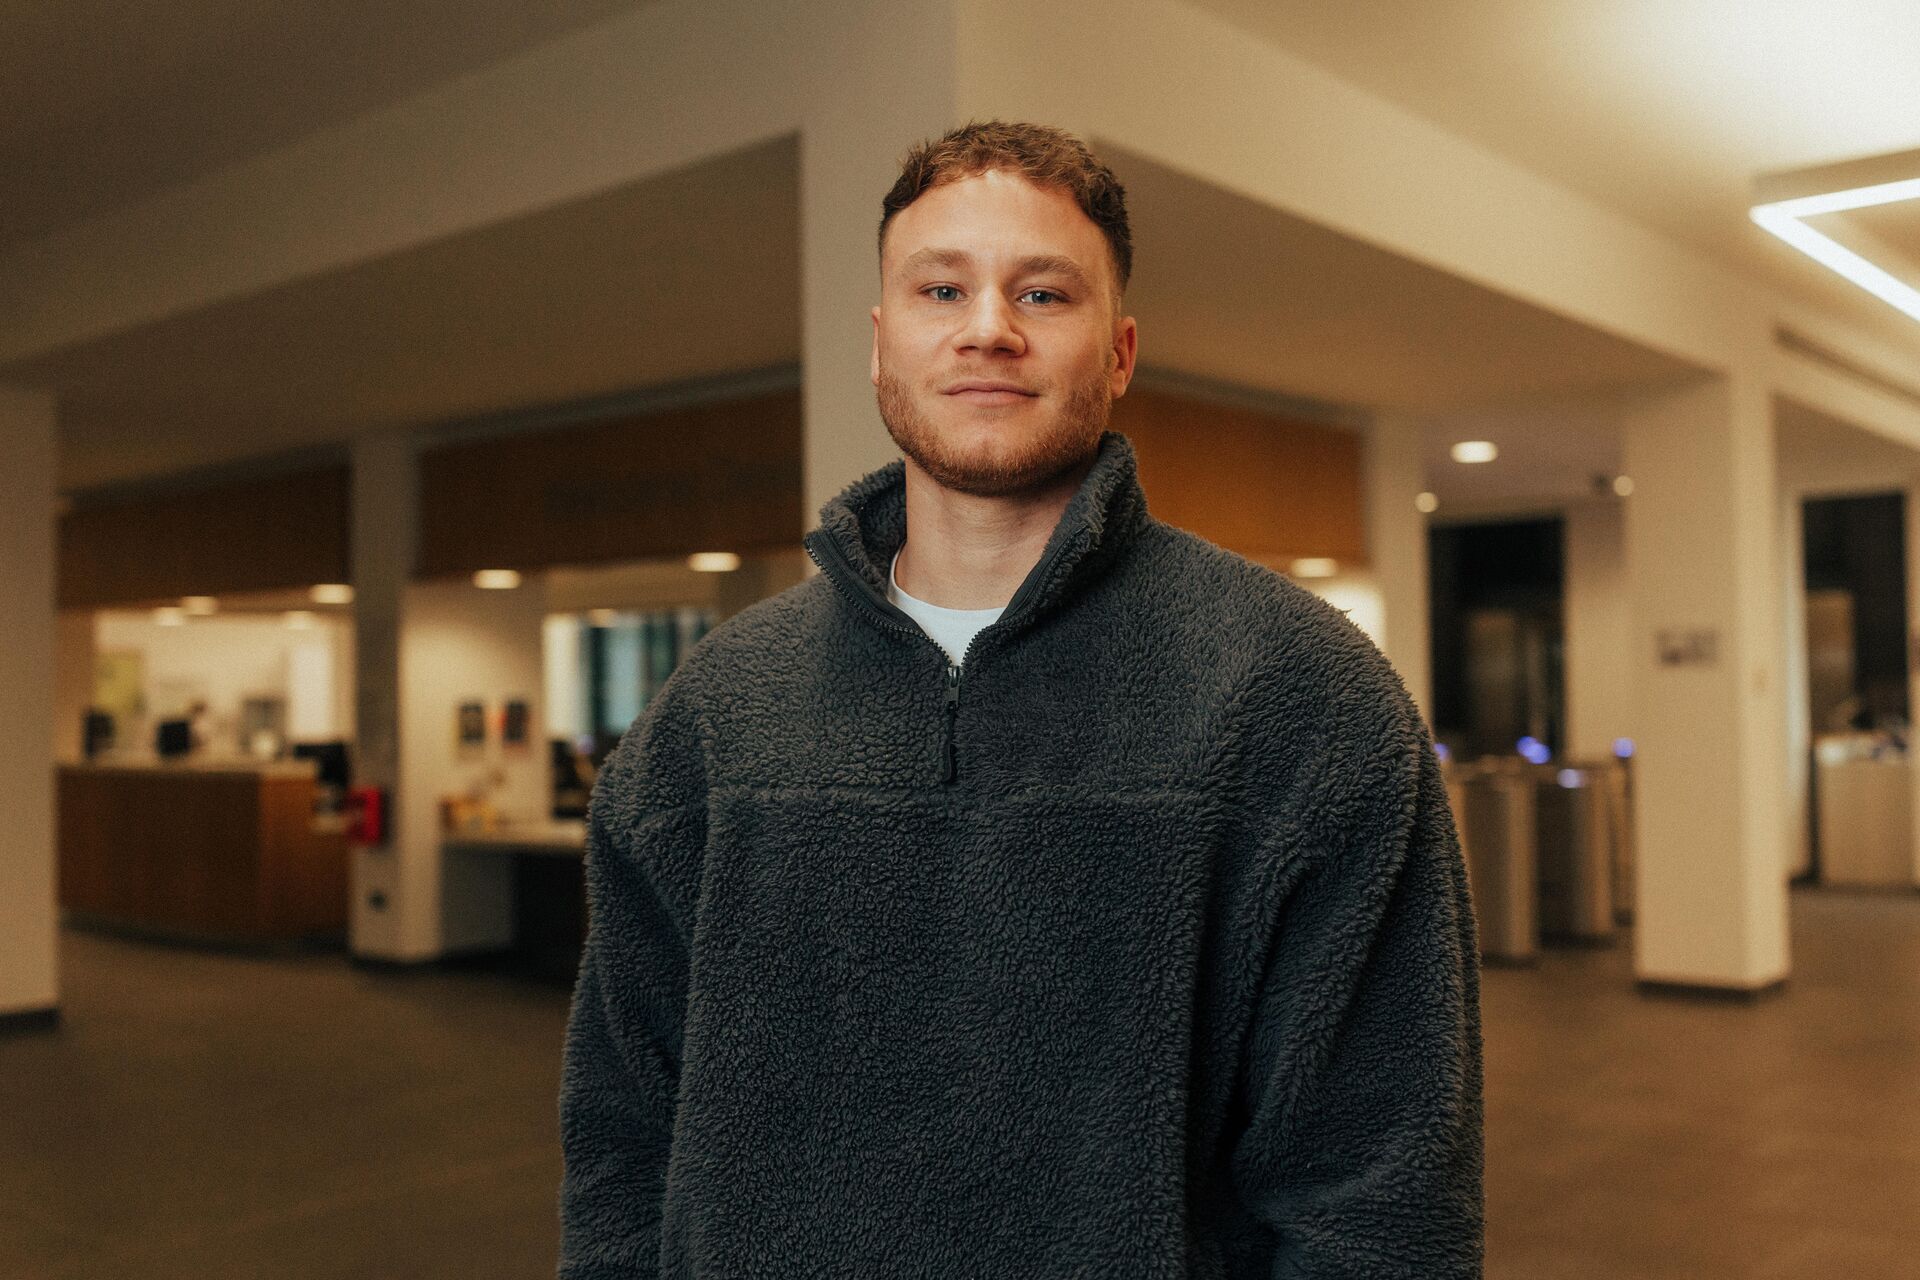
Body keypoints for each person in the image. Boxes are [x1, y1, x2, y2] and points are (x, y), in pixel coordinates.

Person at [559, 120, 1483, 1278]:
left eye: (1043, 293)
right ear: (883, 337)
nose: (988, 327)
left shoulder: (1302, 694)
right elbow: (621, 1141)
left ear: (1122, 350)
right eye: (942, 287)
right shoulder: (714, 713)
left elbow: (1381, 1196)